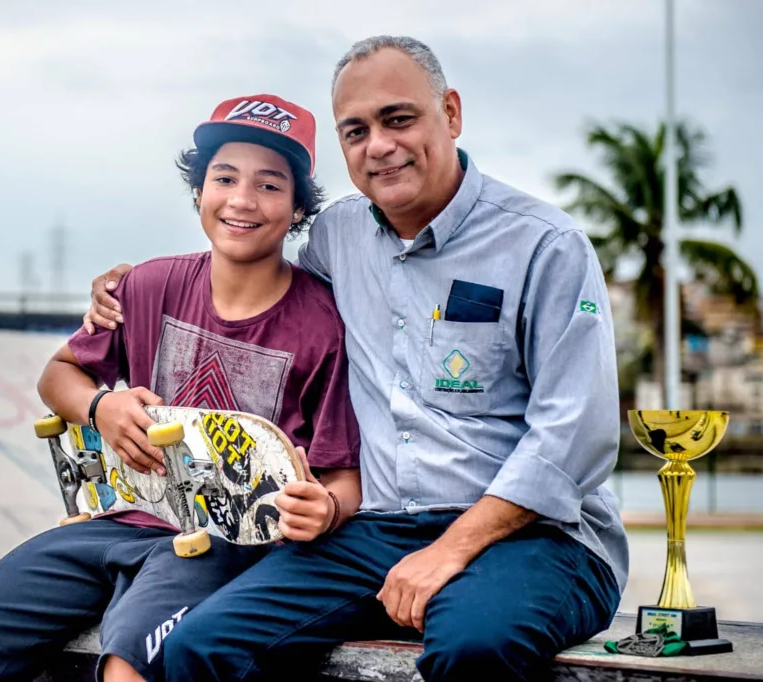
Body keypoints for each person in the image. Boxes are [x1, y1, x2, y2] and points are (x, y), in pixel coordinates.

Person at [83, 36, 629, 682]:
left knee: (473, 646)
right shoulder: (338, 238)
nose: (379, 146)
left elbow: (577, 435)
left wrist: (449, 550)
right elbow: (253, 281)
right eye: (356, 130)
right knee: (201, 646)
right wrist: (127, 285)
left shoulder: (545, 245)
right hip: (375, 531)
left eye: (399, 119)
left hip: (537, 535)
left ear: (451, 114)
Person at [0, 93, 362, 682]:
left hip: (228, 544)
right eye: (224, 177)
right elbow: (58, 375)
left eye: (270, 185)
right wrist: (101, 407)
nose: (243, 200)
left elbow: (342, 478)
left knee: (131, 659)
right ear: (199, 191)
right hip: (122, 520)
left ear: (300, 207)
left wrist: (324, 510)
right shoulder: (148, 285)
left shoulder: (323, 325)